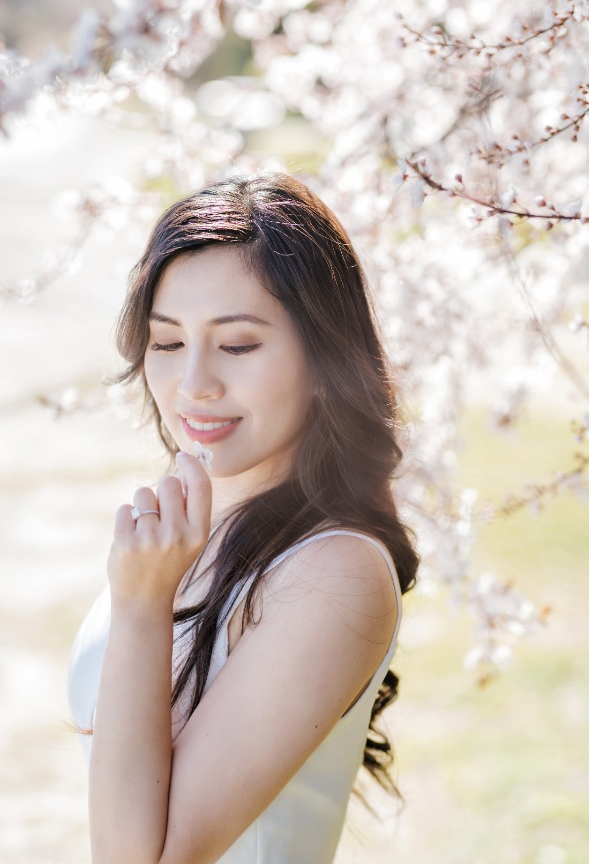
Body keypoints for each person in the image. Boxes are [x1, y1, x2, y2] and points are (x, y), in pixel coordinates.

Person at [68, 172, 419, 863]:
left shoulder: (333, 572)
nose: (194, 382)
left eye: (237, 345)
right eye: (167, 343)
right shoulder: (190, 527)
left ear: (323, 359)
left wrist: (142, 604)